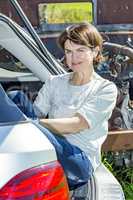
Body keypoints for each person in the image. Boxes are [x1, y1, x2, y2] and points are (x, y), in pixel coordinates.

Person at [8, 22, 118, 197]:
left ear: (95, 51)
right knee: (15, 97)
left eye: (80, 50)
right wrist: (28, 123)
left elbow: (77, 124)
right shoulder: (55, 82)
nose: (73, 58)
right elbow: (35, 112)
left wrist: (30, 125)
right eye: (68, 51)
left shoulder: (105, 88)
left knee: (23, 123)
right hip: (52, 144)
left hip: (78, 160)